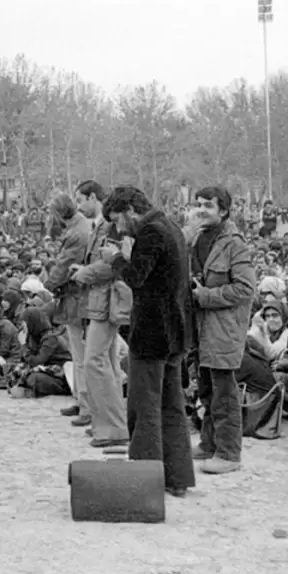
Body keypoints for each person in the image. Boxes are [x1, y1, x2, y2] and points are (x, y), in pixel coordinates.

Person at [103, 185, 195, 498]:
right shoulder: (171, 227)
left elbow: (136, 278)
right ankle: (177, 477)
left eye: (118, 219)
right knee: (172, 406)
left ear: (130, 210)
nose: (118, 227)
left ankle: (144, 481)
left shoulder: (150, 232)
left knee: (144, 407)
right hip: (175, 331)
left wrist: (116, 259)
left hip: (153, 331)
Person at [187, 185, 256, 475]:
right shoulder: (196, 238)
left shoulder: (235, 244)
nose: (201, 209)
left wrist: (205, 296)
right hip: (201, 326)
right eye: (198, 204)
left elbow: (245, 288)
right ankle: (208, 443)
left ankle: (229, 453)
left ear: (224, 211)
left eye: (209, 205)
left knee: (224, 393)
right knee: (206, 388)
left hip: (224, 327)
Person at [70, 179, 130, 448]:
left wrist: (84, 273)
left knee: (96, 361)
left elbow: (114, 265)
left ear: (94, 197)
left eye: (82, 200)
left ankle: (113, 427)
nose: (79, 206)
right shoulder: (101, 225)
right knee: (106, 363)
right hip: (99, 300)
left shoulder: (110, 226)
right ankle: (106, 422)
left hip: (107, 299)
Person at [43, 193, 93, 427]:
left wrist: (48, 285)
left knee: (82, 356)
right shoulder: (82, 226)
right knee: (79, 354)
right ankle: (81, 399)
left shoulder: (76, 234)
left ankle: (86, 405)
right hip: (76, 295)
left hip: (77, 297)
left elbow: (62, 266)